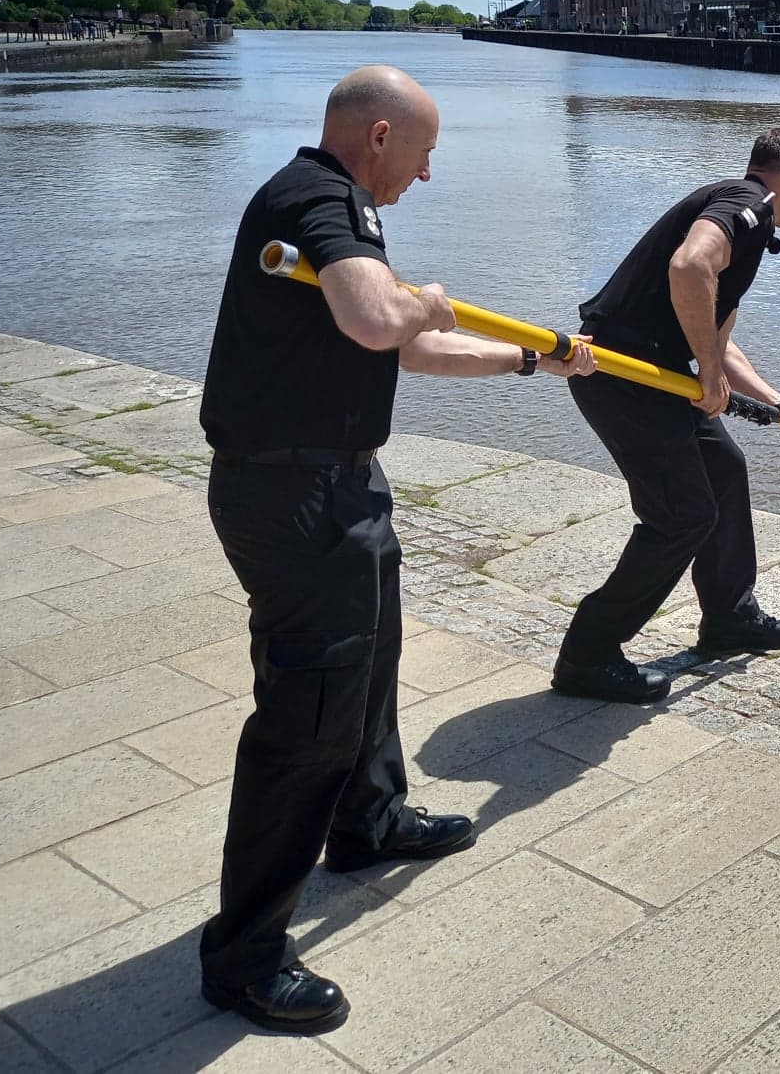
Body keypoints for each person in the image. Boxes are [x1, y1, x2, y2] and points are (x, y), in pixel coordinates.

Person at [197, 64, 594, 1033]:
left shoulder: (328, 210)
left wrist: (532, 358)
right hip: (292, 493)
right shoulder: (318, 196)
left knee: (371, 659)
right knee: (310, 717)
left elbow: (405, 347)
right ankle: (244, 955)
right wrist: (426, 299)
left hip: (336, 481)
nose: (424, 177)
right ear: (379, 135)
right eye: (422, 155)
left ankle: (368, 822)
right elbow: (384, 320)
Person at [552, 127, 780, 704]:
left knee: (724, 469)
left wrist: (775, 402)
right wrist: (705, 369)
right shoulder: (750, 206)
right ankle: (588, 654)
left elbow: (718, 337)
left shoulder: (743, 215)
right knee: (682, 516)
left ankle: (729, 617)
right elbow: (688, 268)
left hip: (665, 379)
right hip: (627, 378)